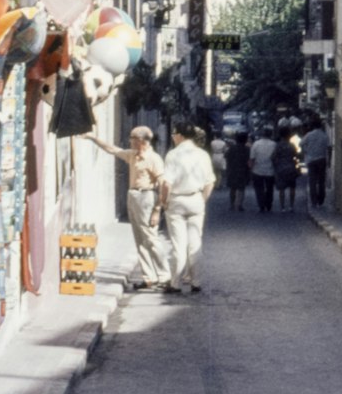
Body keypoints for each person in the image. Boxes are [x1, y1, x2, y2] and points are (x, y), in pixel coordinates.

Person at [91, 125, 168, 289]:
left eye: (132, 138)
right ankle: (149, 277)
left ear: (141, 141)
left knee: (151, 239)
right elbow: (112, 149)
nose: (129, 141)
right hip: (133, 195)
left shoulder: (153, 159)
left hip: (146, 196)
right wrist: (93, 138)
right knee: (140, 240)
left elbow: (163, 184)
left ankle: (164, 276)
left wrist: (157, 209)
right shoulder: (133, 155)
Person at [160, 119, 216, 294]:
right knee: (195, 243)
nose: (172, 137)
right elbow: (210, 182)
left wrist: (163, 201)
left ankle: (175, 283)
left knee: (178, 244)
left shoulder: (173, 155)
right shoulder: (203, 155)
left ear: (180, 136)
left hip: (176, 200)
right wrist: (202, 200)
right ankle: (196, 282)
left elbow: (166, 183)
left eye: (174, 134)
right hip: (196, 199)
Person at [300, 114, 330, 208]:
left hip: (311, 160)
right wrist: (329, 160)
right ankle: (321, 199)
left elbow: (301, 144)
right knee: (321, 181)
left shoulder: (309, 135)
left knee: (312, 181)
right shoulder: (324, 136)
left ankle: (314, 201)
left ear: (312, 126)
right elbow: (328, 148)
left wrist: (306, 151)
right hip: (322, 159)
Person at [249, 128, 277, 214]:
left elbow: (252, 158)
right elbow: (276, 157)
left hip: (257, 169)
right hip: (270, 169)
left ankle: (261, 205)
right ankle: (269, 204)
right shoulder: (274, 144)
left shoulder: (256, 144)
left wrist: (251, 169)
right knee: (270, 188)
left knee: (259, 189)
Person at [273, 125, 300, 213]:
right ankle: (291, 206)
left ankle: (282, 207)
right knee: (292, 187)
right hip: (291, 167)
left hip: (281, 168)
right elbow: (296, 156)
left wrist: (276, 165)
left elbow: (274, 157)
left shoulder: (278, 146)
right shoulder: (292, 145)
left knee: (282, 189)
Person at [225, 132, 250, 211]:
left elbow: (226, 156)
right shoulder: (246, 149)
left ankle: (232, 204)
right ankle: (239, 204)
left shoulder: (232, 148)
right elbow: (248, 160)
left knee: (233, 188)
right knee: (241, 188)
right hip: (243, 170)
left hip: (232, 169)